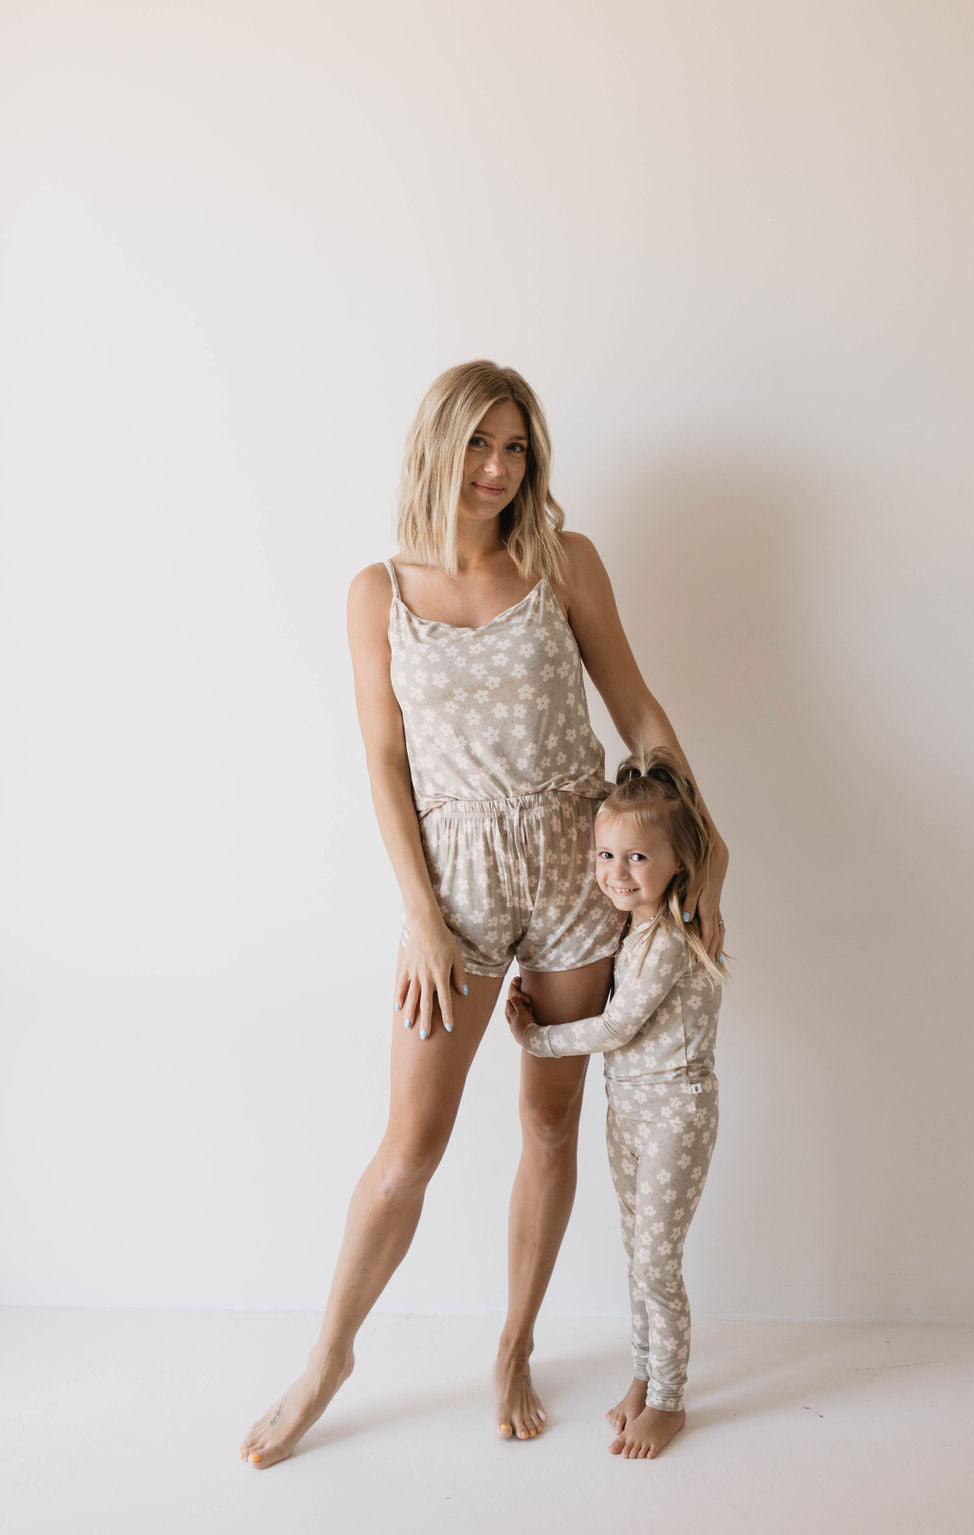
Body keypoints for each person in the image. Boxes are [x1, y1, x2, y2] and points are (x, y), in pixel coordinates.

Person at [239, 361, 727, 1469]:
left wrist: (702, 833)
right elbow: (381, 760)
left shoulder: (563, 562)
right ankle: (328, 1354)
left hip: (578, 869)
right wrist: (419, 915)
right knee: (409, 1147)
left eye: (516, 448)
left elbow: (636, 705)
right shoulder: (378, 590)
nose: (499, 468)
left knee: (550, 1122)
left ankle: (511, 1344)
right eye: (479, 445)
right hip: (454, 883)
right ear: (437, 445)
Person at [506, 748, 724, 1460]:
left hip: (675, 1110)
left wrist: (536, 1038)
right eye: (606, 854)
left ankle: (669, 1398)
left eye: (636, 858)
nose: (616, 873)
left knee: (658, 1260)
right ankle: (643, 1374)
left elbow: (616, 1026)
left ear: (677, 864)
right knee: (638, 1254)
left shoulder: (667, 936)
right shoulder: (628, 932)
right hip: (627, 1107)